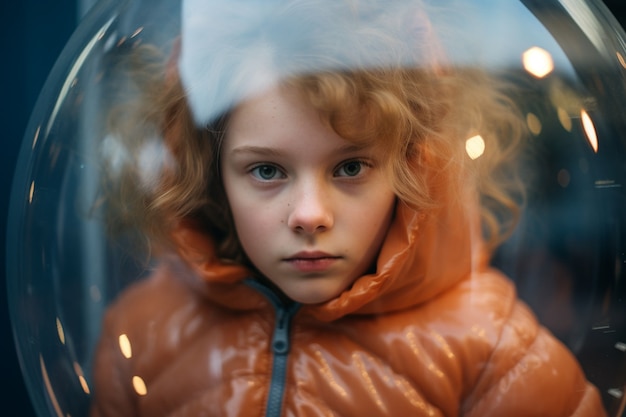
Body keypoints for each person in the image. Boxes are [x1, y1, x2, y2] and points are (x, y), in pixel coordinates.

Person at [90, 0, 607, 415]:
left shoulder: (495, 351)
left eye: (350, 168)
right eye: (267, 171)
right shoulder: (143, 334)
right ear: (208, 176)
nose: (310, 214)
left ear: (413, 166)